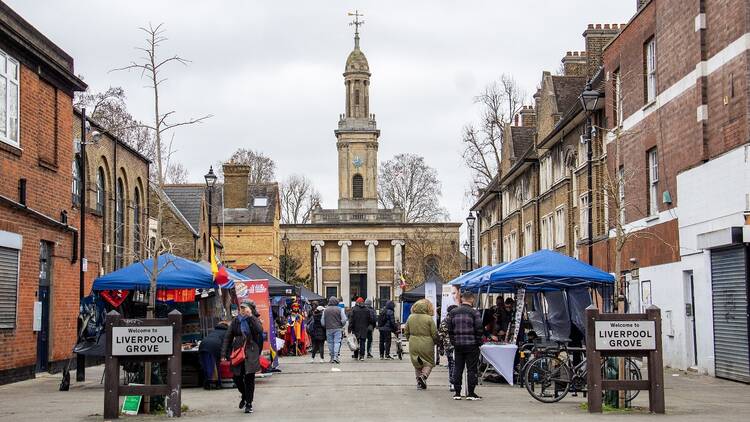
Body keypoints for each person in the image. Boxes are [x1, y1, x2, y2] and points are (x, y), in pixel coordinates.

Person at [222, 300, 264, 414]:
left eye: (245, 308)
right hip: (238, 351)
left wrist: (250, 316)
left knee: (249, 378)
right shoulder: (236, 321)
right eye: (241, 308)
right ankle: (244, 396)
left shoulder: (254, 319)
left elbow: (259, 330)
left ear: (250, 309)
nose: (243, 310)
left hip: (251, 351)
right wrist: (223, 354)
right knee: (237, 377)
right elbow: (228, 337)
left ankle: (249, 404)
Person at [447, 291, 483, 401]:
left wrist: (454, 341)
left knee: (458, 367)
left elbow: (450, 329)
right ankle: (471, 393)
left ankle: (457, 392)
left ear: (462, 299)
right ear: (472, 299)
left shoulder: (453, 312)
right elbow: (479, 328)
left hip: (458, 345)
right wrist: (478, 342)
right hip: (472, 345)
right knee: (471, 369)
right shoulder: (474, 313)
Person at [404, 299, 438, 390]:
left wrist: (410, 339)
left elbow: (406, 331)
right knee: (429, 363)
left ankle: (419, 383)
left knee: (417, 363)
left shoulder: (410, 317)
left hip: (413, 343)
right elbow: (434, 333)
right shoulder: (428, 318)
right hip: (427, 343)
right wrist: (436, 341)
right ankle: (423, 376)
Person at [199, 321, 228, 389]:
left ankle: (207, 384)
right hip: (215, 347)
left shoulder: (214, 331)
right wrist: (227, 356)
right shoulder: (226, 332)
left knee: (206, 365)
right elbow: (227, 345)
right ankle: (218, 384)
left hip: (203, 345)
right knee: (216, 365)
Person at [321, 297, 347, 364]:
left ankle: (332, 357)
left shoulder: (325, 310)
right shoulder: (340, 309)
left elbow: (322, 322)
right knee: (337, 342)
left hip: (328, 328)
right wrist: (341, 325)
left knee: (330, 343)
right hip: (338, 328)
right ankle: (336, 357)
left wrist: (326, 326)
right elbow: (344, 319)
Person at [438, 305, 458, 391]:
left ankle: (452, 383)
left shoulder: (444, 321)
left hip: (448, 346)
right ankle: (454, 382)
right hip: (456, 345)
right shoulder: (458, 321)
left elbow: (440, 336)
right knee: (455, 364)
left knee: (451, 364)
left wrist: (441, 347)